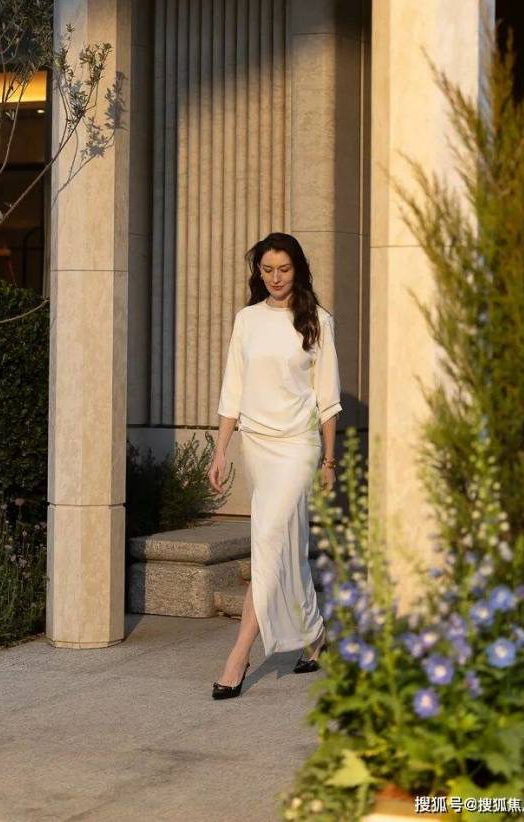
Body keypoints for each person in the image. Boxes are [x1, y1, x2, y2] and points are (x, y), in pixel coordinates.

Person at [208, 232, 342, 699]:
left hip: (298, 448)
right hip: (257, 446)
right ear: (258, 272)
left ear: (297, 270)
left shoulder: (318, 321)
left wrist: (329, 461)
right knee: (286, 544)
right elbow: (233, 387)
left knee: (266, 544)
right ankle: (315, 635)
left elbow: (328, 398)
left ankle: (238, 656)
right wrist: (220, 450)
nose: (276, 278)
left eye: (284, 269)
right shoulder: (247, 320)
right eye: (267, 270)